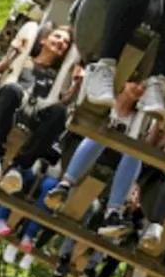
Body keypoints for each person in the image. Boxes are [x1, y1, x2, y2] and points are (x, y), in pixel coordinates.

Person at [42, 83, 149, 237]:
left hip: (110, 172)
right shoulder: (103, 106)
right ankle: (64, 185)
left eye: (143, 89)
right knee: (103, 131)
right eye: (136, 84)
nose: (139, 89)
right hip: (82, 162)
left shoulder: (138, 120)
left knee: (135, 151)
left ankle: (113, 213)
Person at [0, 27, 74, 194]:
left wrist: (76, 84)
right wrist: (9, 58)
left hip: (37, 115)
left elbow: (62, 102)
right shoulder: (24, 61)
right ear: (43, 40)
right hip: (14, 106)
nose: (61, 43)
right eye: (57, 37)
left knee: (60, 112)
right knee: (12, 89)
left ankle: (21, 166)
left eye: (65, 42)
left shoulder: (57, 78)